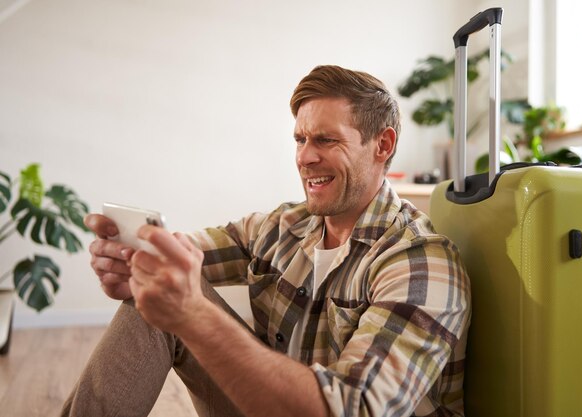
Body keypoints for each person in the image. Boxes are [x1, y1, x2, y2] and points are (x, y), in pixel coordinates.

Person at [61, 65, 470, 417]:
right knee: (158, 290)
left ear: (382, 145)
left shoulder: (420, 261)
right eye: (300, 139)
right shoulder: (282, 227)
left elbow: (353, 408)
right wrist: (132, 262)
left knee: (180, 303)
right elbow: (181, 254)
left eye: (326, 140)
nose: (305, 157)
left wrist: (195, 316)